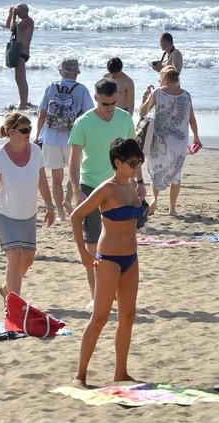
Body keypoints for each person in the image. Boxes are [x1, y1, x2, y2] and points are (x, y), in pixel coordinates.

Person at [70, 137, 145, 387]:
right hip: (108, 259)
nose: (136, 167)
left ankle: (120, 372)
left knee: (128, 316)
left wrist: (145, 206)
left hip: (131, 259)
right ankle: (80, 375)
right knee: (100, 317)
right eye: (132, 163)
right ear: (117, 162)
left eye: (139, 162)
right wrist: (82, 251)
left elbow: (136, 220)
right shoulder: (107, 189)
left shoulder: (133, 186)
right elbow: (76, 215)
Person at [68, 78, 145, 309]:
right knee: (94, 245)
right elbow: (73, 161)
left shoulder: (123, 118)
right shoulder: (83, 123)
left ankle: (117, 291)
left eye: (112, 103)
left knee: (121, 238)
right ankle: (96, 295)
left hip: (122, 186)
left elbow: (134, 153)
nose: (109, 108)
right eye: (105, 104)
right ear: (96, 99)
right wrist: (75, 190)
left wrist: (140, 181)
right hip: (91, 185)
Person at [0, 113, 54, 299]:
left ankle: (6, 289)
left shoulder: (36, 151)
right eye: (24, 130)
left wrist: (50, 207)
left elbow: (43, 182)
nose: (28, 133)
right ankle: (14, 304)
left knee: (28, 259)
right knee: (15, 255)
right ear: (11, 132)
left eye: (30, 129)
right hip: (4, 214)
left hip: (28, 214)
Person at [35, 58, 93, 222]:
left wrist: (38, 135)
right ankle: (68, 199)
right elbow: (88, 115)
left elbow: (42, 114)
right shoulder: (81, 89)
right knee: (74, 171)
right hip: (73, 137)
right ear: (76, 73)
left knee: (56, 177)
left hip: (51, 137)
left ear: (61, 72)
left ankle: (60, 212)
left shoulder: (51, 87)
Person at [139, 65, 201, 215]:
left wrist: (146, 97)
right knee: (176, 174)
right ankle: (172, 209)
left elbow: (142, 112)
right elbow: (191, 118)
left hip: (160, 140)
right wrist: (196, 136)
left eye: (160, 78)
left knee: (156, 169)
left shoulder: (158, 93)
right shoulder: (186, 95)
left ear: (165, 78)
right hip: (179, 141)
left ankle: (155, 199)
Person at [6, 3, 35, 109]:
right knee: (18, 78)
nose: (17, 12)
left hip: (22, 52)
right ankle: (23, 100)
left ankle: (23, 102)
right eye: (17, 10)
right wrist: (10, 15)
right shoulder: (19, 21)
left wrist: (14, 16)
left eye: (19, 10)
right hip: (17, 51)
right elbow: (7, 26)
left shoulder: (28, 21)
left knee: (21, 78)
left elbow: (13, 28)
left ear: (25, 11)